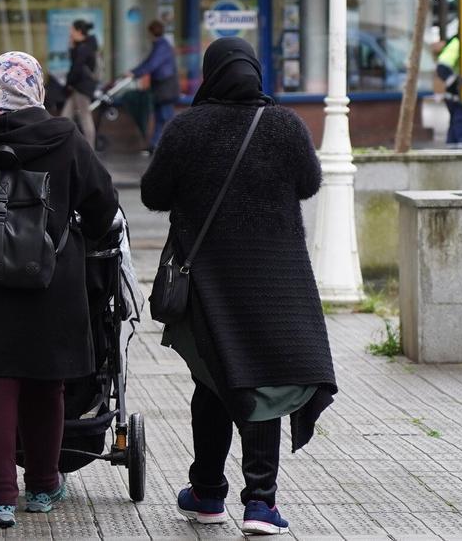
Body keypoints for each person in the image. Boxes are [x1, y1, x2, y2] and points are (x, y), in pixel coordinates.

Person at [140, 37, 337, 536]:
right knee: (262, 383)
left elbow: (153, 193)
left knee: (212, 378)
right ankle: (261, 504)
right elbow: (310, 182)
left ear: (210, 74)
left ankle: (207, 492)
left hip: (209, 279)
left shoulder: (186, 128)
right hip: (276, 281)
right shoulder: (285, 125)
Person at [0, 51, 119, 529]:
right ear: (34, 89)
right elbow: (102, 204)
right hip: (48, 281)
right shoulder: (64, 138)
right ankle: (43, 485)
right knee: (45, 379)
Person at [123, 20, 180, 154]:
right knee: (161, 117)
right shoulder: (160, 45)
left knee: (166, 117)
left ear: (151, 32)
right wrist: (134, 72)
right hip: (162, 88)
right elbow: (148, 62)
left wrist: (134, 73)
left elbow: (151, 64)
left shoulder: (161, 46)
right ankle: (155, 145)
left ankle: (171, 146)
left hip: (165, 87)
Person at [62, 19, 99, 149]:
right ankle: (63, 145)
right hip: (79, 86)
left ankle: (90, 148)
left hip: (82, 87)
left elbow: (76, 67)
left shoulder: (84, 47)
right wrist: (72, 47)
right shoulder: (85, 45)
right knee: (66, 116)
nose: (70, 33)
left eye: (72, 30)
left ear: (78, 31)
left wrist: (68, 82)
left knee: (84, 116)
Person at [433, 35, 462, 147]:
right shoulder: (457, 43)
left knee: (455, 122)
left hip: (452, 95)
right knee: (461, 121)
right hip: (456, 95)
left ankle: (452, 147)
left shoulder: (456, 42)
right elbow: (442, 68)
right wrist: (455, 84)